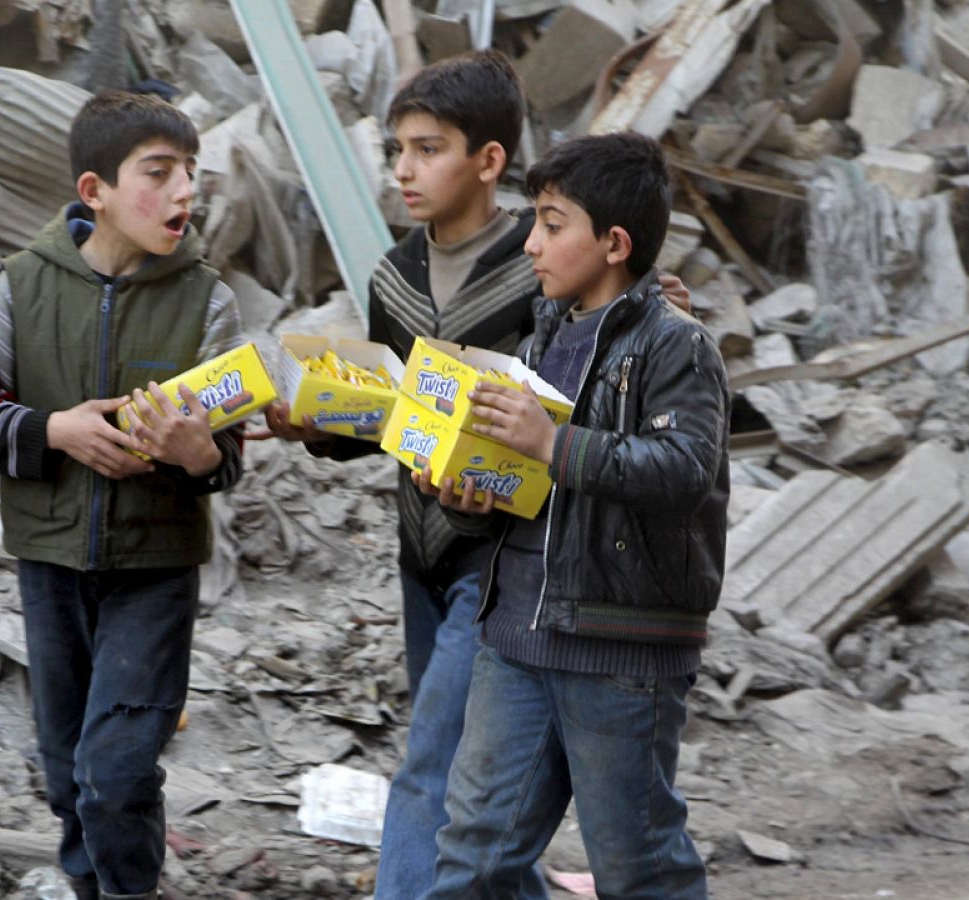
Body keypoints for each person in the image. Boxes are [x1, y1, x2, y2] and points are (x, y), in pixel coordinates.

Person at [258, 51, 688, 898]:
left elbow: (611, 364)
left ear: (489, 162)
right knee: (476, 777)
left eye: (428, 149)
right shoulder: (394, 275)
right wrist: (316, 426)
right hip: (423, 550)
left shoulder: (543, 263)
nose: (405, 171)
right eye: (396, 151)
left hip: (506, 559)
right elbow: (399, 412)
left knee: (434, 767)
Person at [0, 90, 245, 900]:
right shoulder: (23, 287)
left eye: (191, 173)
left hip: (154, 570)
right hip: (49, 566)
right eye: (159, 173)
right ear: (94, 192)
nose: (185, 192)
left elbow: (230, 459)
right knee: (66, 774)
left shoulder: (207, 301)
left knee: (114, 771)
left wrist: (194, 453)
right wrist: (56, 432)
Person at [419, 131, 730, 899]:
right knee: (474, 858)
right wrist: (467, 501)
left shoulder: (675, 345)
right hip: (517, 634)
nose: (531, 243)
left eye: (553, 224)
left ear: (614, 243)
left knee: (637, 867)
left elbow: (686, 470)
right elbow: (532, 492)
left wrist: (551, 442)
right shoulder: (544, 334)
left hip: (620, 649)